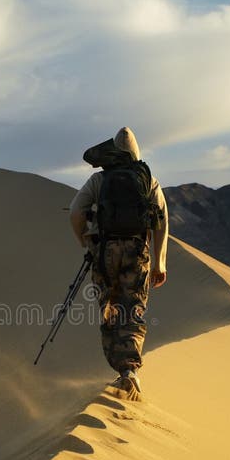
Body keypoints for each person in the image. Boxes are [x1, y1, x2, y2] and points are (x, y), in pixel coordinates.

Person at [69, 127, 168, 400]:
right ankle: (129, 372)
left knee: (109, 309)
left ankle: (121, 369)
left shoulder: (99, 180)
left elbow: (76, 211)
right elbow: (162, 220)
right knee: (132, 308)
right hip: (137, 252)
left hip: (105, 252)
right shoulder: (148, 180)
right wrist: (159, 262)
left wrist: (86, 242)